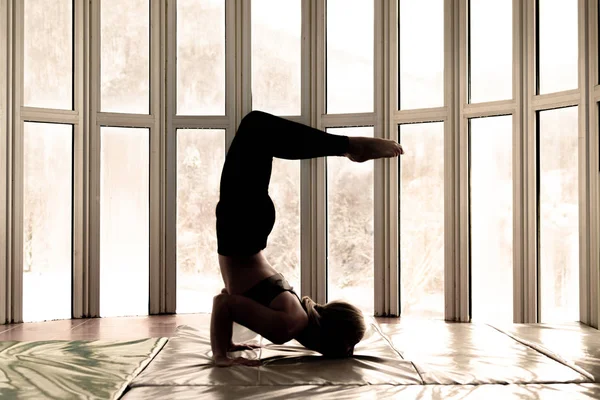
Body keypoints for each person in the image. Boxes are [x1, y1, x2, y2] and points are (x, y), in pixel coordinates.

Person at [211, 111, 404, 367]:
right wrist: (219, 356)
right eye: (351, 346)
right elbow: (224, 303)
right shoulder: (288, 326)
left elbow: (228, 296)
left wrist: (227, 345)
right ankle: (350, 146)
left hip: (246, 230)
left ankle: (348, 146)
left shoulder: (293, 320)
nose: (350, 352)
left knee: (256, 129)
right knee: (256, 127)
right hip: (241, 230)